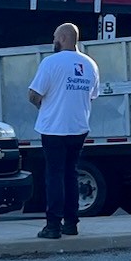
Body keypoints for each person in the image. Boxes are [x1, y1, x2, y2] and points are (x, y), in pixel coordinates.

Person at [28, 22, 100, 240]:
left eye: (55, 37)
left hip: (54, 127)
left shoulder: (51, 63)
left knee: (55, 175)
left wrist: (44, 105)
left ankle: (52, 225)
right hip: (78, 127)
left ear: (63, 38)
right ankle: (71, 222)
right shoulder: (90, 64)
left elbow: (33, 94)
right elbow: (92, 95)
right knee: (71, 173)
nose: (54, 41)